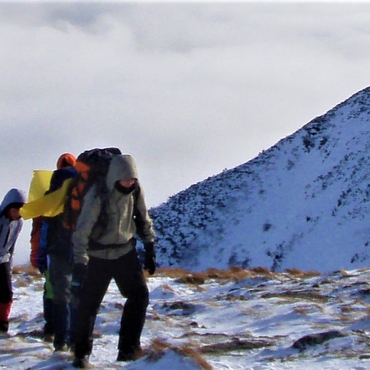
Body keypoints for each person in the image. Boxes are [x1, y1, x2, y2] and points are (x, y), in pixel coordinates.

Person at [71, 154, 156, 369]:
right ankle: (81, 355)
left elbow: (142, 217)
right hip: (98, 256)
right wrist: (81, 261)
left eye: (133, 179)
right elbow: (82, 229)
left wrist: (149, 246)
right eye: (126, 179)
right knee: (88, 306)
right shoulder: (98, 194)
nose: (129, 183)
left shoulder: (135, 190)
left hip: (125, 252)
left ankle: (128, 350)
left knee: (139, 296)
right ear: (116, 176)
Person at [40, 153, 77, 351]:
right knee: (76, 294)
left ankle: (60, 339)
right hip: (78, 249)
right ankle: (73, 339)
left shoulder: (51, 193)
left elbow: (45, 227)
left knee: (59, 294)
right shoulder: (82, 190)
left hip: (56, 250)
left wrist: (40, 253)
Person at [0, 188, 26, 333]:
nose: (17, 214)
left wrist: (9, 265)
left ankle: (2, 324)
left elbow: (12, 245)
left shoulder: (18, 223)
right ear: (8, 207)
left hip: (2, 259)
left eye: (20, 211)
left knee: (7, 292)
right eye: (15, 210)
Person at [30, 216, 54, 342]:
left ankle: (53, 329)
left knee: (53, 292)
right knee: (52, 292)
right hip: (51, 255)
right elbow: (39, 233)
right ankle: (52, 329)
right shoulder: (45, 215)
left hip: (52, 254)